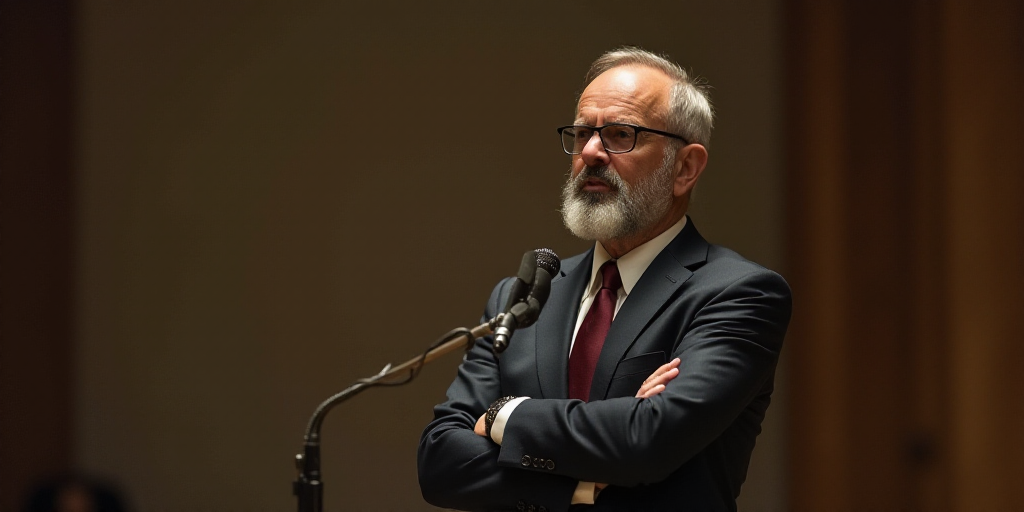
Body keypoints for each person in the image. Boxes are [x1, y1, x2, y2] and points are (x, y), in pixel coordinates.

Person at [418, 47, 791, 512]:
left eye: (620, 135)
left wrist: (501, 414)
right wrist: (582, 483)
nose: (591, 152)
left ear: (685, 168)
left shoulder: (738, 293)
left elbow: (647, 442)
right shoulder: (527, 295)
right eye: (582, 134)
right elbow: (439, 460)